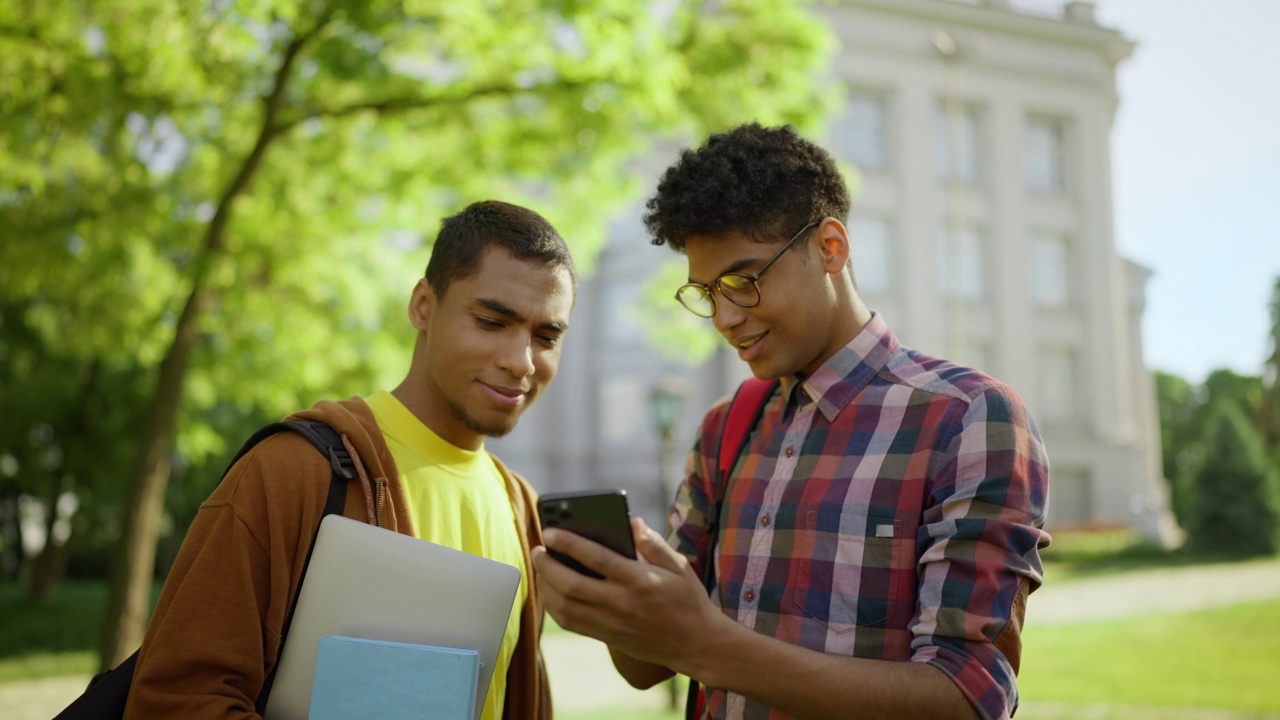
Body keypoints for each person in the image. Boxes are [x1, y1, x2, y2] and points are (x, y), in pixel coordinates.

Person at [533, 123, 1050, 720]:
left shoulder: (968, 420)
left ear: (831, 247)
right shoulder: (725, 430)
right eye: (706, 291)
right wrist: (619, 603)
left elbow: (968, 699)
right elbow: (646, 667)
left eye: (744, 282)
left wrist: (707, 643)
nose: (724, 318)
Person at [126, 200, 576, 719]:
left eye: (546, 337)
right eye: (492, 321)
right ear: (423, 307)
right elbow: (173, 700)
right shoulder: (291, 471)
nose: (520, 361)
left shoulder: (521, 506)